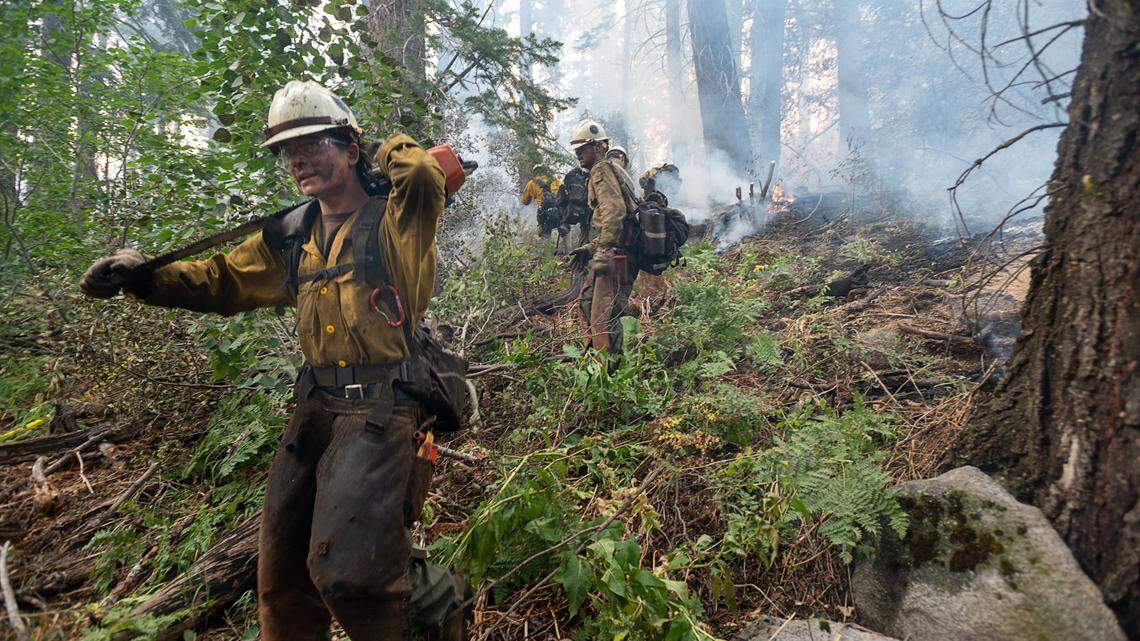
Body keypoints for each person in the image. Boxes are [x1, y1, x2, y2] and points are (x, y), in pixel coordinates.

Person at [79, 80, 468, 641]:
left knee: (352, 574)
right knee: (282, 574)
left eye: (312, 144)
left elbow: (424, 174)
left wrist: (383, 147)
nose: (298, 159)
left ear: (350, 149)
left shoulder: (397, 221)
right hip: (316, 409)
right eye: (288, 150)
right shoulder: (292, 236)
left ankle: (437, 612)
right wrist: (144, 278)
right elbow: (221, 280)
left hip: (383, 409)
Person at [568, 119, 638, 354]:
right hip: (617, 250)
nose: (578, 155)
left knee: (602, 316)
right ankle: (601, 359)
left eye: (582, 149)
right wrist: (589, 249)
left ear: (598, 147)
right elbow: (618, 220)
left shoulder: (600, 170)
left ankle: (609, 371)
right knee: (588, 302)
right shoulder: (613, 169)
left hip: (617, 255)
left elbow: (615, 212)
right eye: (577, 150)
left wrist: (605, 250)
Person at [558, 165, 593, 248]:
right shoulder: (591, 176)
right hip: (585, 209)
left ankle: (563, 252)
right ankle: (583, 251)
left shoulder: (571, 176)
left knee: (565, 229)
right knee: (585, 231)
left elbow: (563, 196)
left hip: (571, 208)